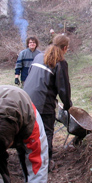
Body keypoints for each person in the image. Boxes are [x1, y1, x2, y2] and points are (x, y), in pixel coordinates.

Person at [23, 33, 72, 167]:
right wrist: (68, 106)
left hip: (25, 99)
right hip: (43, 103)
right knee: (46, 132)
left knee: (29, 129)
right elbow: (63, 88)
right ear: (65, 48)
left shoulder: (39, 56)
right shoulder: (60, 62)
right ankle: (46, 163)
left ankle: (28, 159)